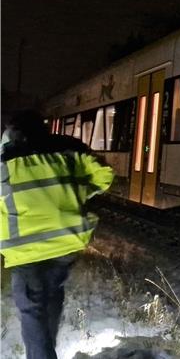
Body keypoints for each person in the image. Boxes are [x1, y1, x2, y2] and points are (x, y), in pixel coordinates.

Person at [1, 109, 114, 359]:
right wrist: (79, 192)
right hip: (65, 243)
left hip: (25, 250)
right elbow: (105, 175)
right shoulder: (67, 151)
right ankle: (46, 349)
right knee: (51, 296)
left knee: (32, 310)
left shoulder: (3, 161)